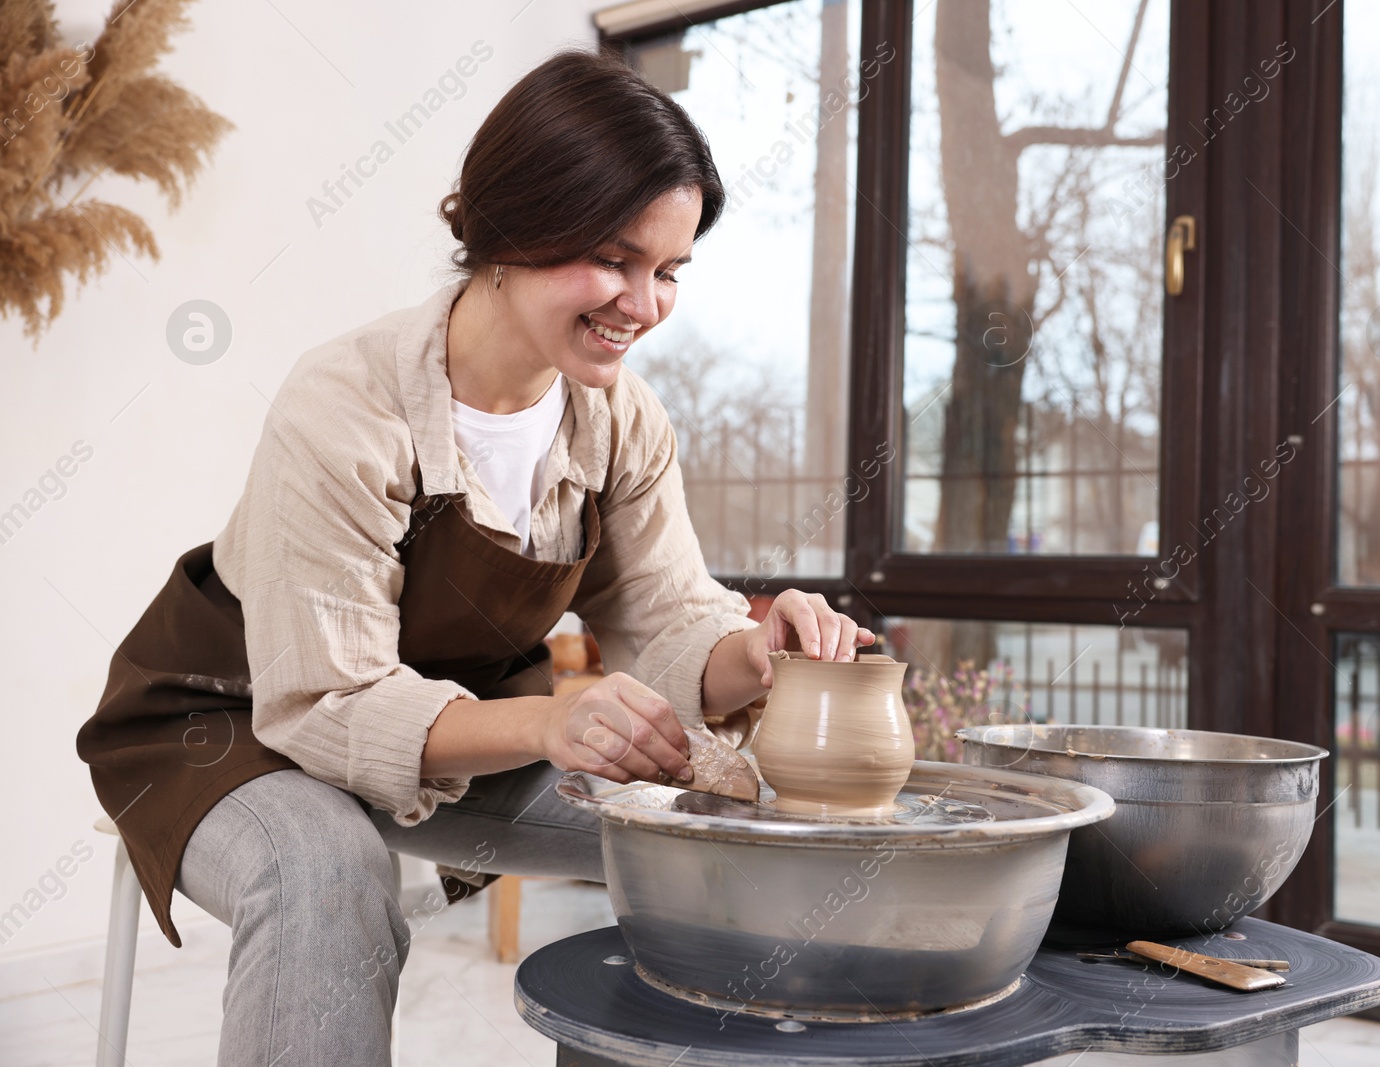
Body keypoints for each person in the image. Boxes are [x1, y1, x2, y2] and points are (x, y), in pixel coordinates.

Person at [76, 48, 870, 1065]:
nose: (643, 302)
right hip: (234, 720)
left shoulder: (621, 419)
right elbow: (325, 701)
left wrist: (754, 653)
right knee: (330, 873)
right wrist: (549, 719)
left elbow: (667, 612)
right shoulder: (346, 404)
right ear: (509, 232)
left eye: (667, 270)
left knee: (707, 841)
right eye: (614, 259)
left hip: (468, 728)